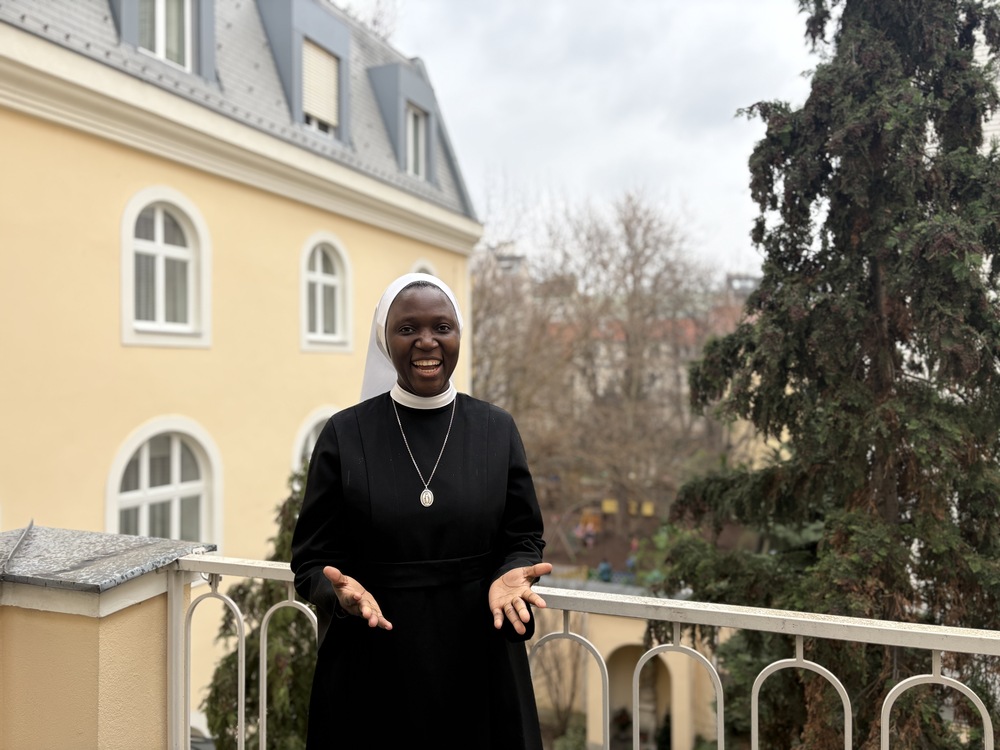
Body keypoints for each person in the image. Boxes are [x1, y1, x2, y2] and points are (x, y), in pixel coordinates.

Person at [291, 273, 552, 749]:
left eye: (441, 327)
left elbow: (523, 537)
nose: (426, 341)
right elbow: (310, 560)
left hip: (479, 660)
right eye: (408, 328)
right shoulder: (344, 435)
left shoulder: (496, 428)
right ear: (385, 340)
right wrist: (338, 594)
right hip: (373, 663)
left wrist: (512, 571)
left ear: (458, 336)